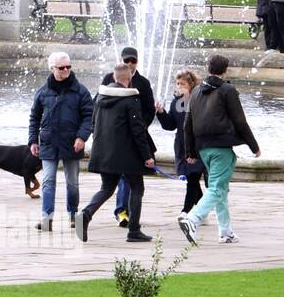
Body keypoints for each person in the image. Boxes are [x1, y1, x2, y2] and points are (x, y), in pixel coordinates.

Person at [179, 54, 261, 246]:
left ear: (208, 68)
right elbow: (240, 120)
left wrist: (190, 152)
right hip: (221, 147)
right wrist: (254, 146)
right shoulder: (227, 90)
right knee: (216, 189)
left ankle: (226, 232)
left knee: (220, 189)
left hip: (203, 148)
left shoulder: (197, 90)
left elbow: (187, 124)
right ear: (226, 70)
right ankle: (192, 219)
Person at [77, 62, 156, 243]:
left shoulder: (100, 97)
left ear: (114, 78)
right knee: (137, 188)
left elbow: (93, 124)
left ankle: (86, 214)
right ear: (128, 79)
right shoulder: (130, 99)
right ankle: (134, 230)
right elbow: (138, 130)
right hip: (128, 154)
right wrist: (147, 156)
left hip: (104, 151)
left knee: (106, 188)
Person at [28, 51, 94, 231]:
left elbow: (89, 116)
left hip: (72, 142)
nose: (66, 70)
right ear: (52, 69)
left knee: (72, 182)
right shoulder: (42, 92)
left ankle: (73, 215)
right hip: (48, 142)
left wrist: (82, 137)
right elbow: (34, 117)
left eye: (68, 67)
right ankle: (46, 218)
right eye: (61, 67)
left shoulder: (81, 91)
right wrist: (33, 140)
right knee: (48, 180)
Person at [99, 46, 156, 226]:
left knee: (129, 177)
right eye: (126, 61)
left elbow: (149, 109)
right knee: (121, 179)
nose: (130, 64)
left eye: (133, 61)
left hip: (134, 136)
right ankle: (123, 213)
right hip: (115, 137)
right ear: (121, 60)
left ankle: (126, 214)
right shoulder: (109, 79)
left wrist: (141, 126)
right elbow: (98, 106)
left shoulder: (143, 83)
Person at [154, 71, 208, 214]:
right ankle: (202, 210)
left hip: (196, 144)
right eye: (177, 83)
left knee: (193, 178)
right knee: (192, 179)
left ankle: (186, 211)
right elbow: (170, 125)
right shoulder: (176, 101)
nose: (179, 86)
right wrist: (161, 113)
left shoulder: (198, 99)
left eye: (182, 84)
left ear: (191, 85)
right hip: (181, 145)